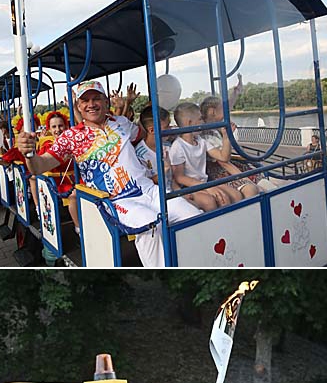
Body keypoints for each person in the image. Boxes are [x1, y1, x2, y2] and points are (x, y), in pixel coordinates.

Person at [17, 80, 201, 267]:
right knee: (150, 226)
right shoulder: (71, 137)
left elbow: (144, 136)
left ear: (106, 102)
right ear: (78, 106)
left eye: (96, 98)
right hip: (116, 201)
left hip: (148, 190)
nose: (91, 104)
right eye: (85, 100)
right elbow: (39, 166)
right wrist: (28, 155)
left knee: (191, 213)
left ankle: (194, 263)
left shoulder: (121, 123)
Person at [170, 102, 242, 211]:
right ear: (189, 123)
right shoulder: (178, 147)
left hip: (204, 183)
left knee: (236, 195)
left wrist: (226, 137)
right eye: (199, 119)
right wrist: (208, 188)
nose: (203, 122)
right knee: (215, 201)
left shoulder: (200, 141)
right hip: (190, 187)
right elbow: (179, 177)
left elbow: (223, 157)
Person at [200, 95, 260, 199]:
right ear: (212, 112)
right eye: (222, 108)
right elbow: (223, 161)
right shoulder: (207, 133)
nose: (226, 110)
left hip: (228, 165)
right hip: (218, 170)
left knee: (260, 179)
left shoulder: (217, 127)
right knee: (251, 189)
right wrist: (245, 179)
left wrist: (237, 92)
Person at [37, 110, 80, 234]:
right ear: (49, 129)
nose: (58, 130)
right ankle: (78, 228)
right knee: (75, 194)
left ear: (66, 126)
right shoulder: (47, 146)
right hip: (59, 181)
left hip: (77, 178)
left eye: (60, 126)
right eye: (54, 127)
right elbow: (41, 164)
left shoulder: (72, 142)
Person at [135, 105, 173, 191]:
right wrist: (164, 169)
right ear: (151, 130)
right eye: (167, 126)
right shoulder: (140, 154)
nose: (170, 129)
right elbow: (146, 183)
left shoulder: (168, 146)